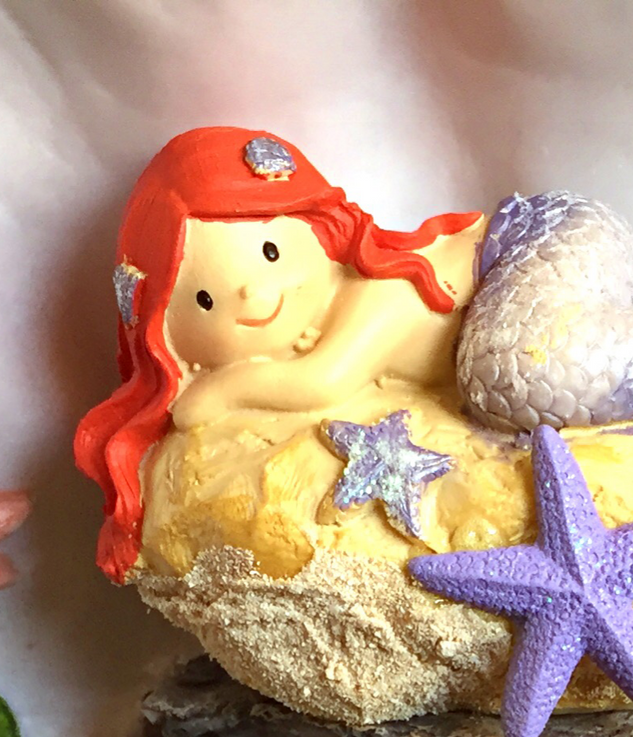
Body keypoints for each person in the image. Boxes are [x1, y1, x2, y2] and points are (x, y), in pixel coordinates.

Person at [74, 126, 481, 581]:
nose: (253, 295)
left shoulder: (385, 292)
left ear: (320, 230)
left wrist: (223, 388)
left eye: (271, 252)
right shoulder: (317, 332)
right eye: (206, 300)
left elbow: (324, 382)